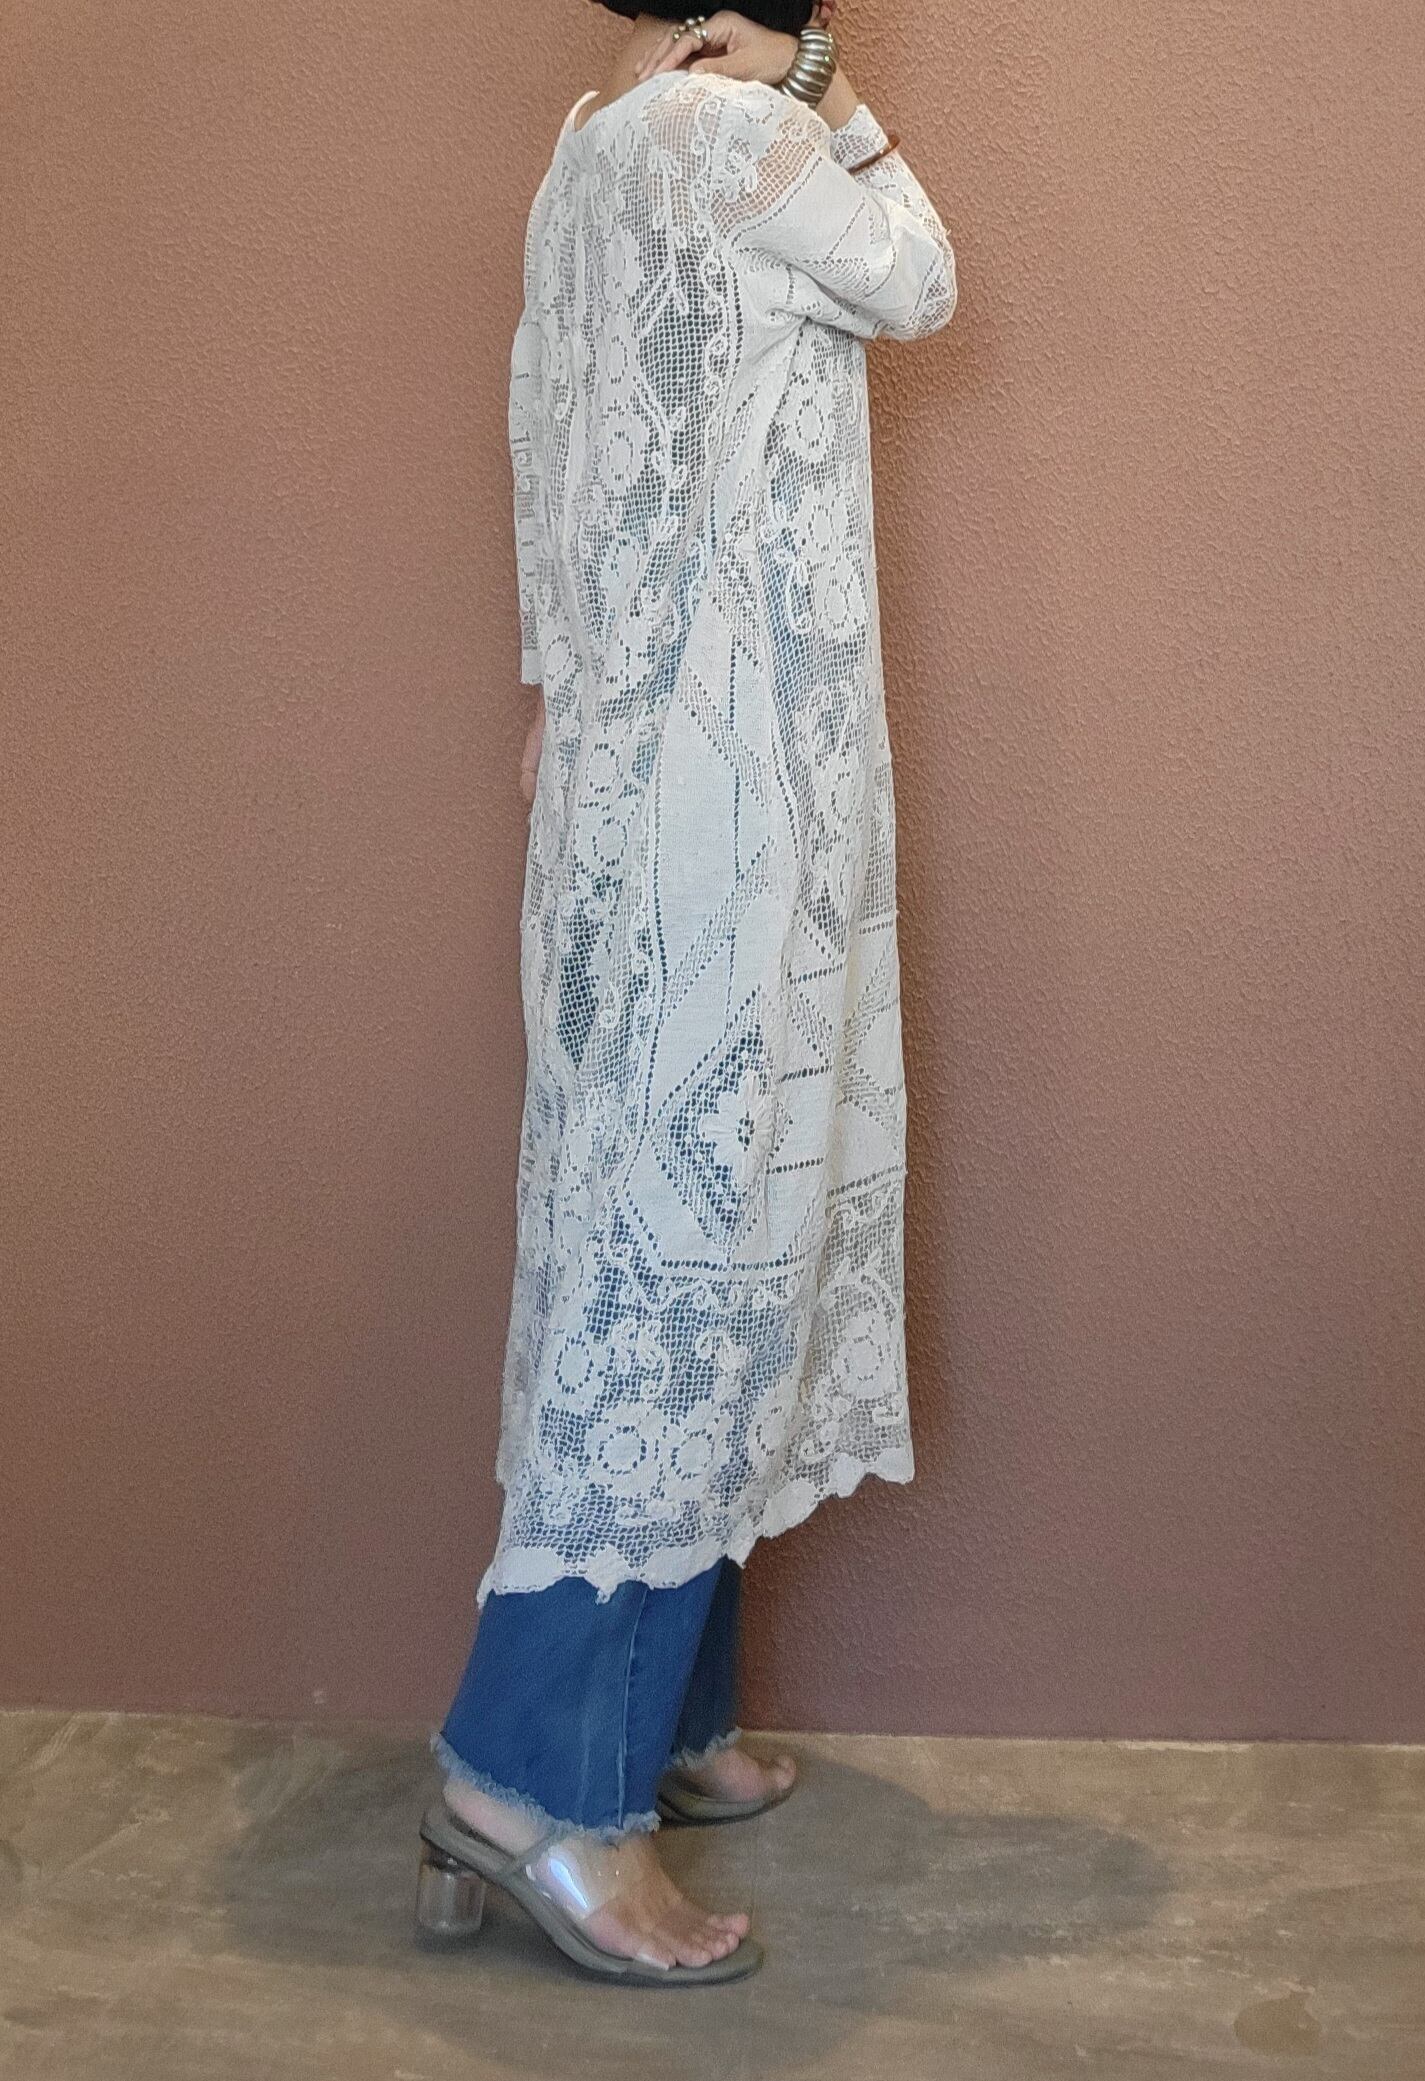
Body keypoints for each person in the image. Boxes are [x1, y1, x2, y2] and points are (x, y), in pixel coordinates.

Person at [417, 1, 958, 1986]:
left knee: (678, 1228)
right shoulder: (735, 138)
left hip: (642, 762)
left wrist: (552, 685)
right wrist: (829, 89)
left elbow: (541, 428)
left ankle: (659, 1718)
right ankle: (526, 1778)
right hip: (734, 778)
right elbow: (922, 277)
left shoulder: (592, 143)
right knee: (696, 1241)